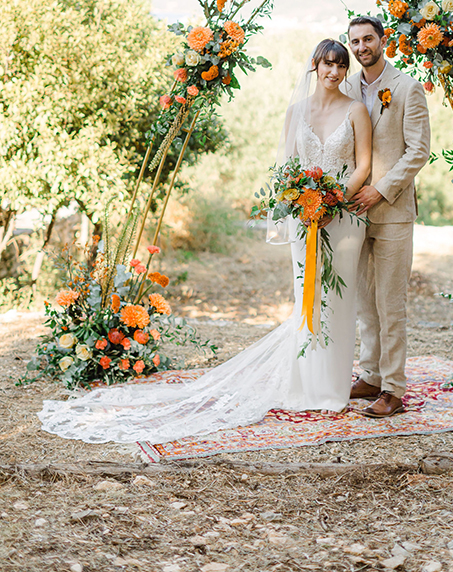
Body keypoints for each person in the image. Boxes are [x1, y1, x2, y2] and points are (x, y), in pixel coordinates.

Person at [37, 39, 371, 444]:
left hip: (343, 218)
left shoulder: (356, 110)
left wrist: (334, 198)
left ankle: (332, 390)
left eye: (341, 65)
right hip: (304, 218)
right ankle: (305, 384)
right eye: (327, 65)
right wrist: (301, 201)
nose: (333, 72)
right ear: (314, 67)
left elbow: (363, 165)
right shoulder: (295, 111)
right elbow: (286, 166)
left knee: (338, 299)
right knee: (307, 295)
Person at [344, 15, 430, 417]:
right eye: (355, 41)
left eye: (368, 39)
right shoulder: (345, 88)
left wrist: (381, 188)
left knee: (390, 303)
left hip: (393, 210)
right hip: (355, 214)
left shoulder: (407, 89)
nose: (361, 47)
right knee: (364, 301)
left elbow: (418, 150)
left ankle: (394, 388)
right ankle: (371, 375)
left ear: (383, 40)